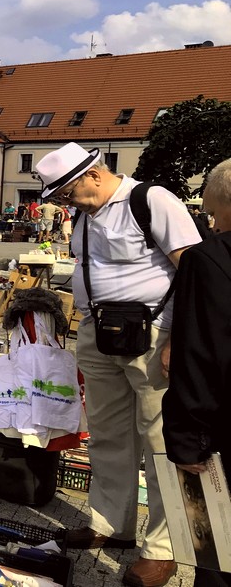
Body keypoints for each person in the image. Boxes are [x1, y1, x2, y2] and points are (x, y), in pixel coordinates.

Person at [35, 141, 200, 587]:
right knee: (107, 434)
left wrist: (179, 339)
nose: (67, 202)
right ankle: (111, 524)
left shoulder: (152, 200)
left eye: (67, 192)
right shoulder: (85, 215)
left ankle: (163, 549)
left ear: (93, 173)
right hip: (99, 333)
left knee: (161, 443)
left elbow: (193, 272)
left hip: (153, 335)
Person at [162, 156, 231, 587]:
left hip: (223, 430)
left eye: (212, 213)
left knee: (218, 551)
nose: (211, 222)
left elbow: (198, 356)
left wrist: (186, 442)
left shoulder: (208, 261)